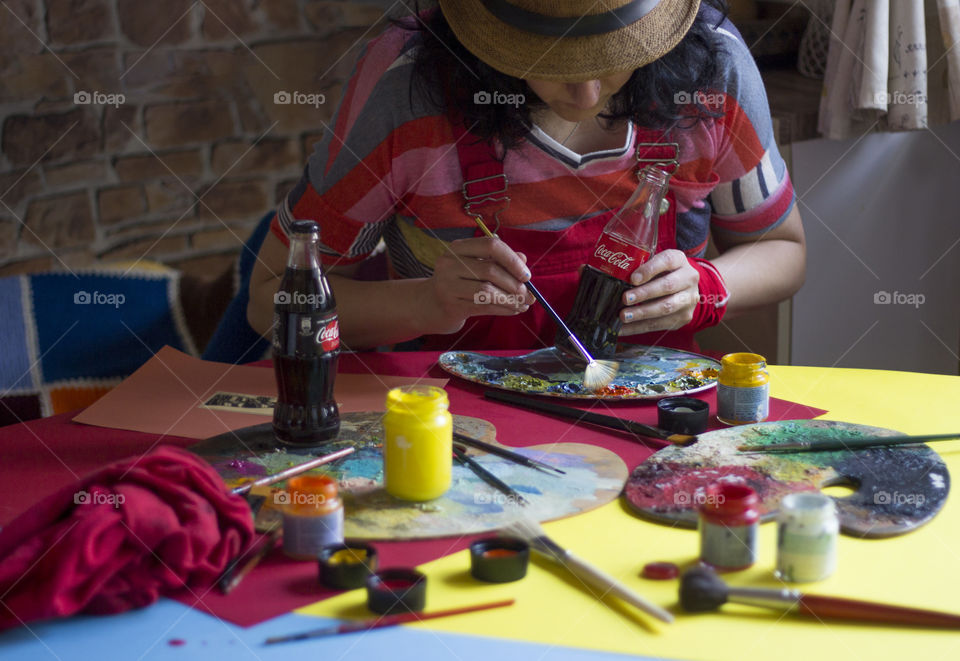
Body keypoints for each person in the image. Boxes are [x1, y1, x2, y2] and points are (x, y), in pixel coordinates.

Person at [248, 0, 805, 353]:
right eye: (556, 63)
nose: (587, 95)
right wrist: (426, 304)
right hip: (460, 434)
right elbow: (270, 301)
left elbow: (783, 251)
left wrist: (708, 288)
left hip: (652, 417)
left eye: (612, 58)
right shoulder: (407, 91)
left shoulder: (712, 72)